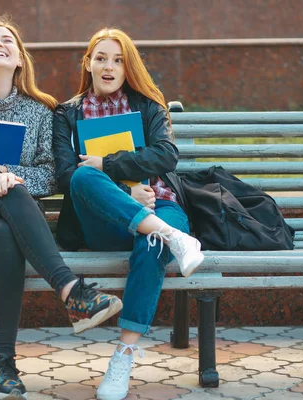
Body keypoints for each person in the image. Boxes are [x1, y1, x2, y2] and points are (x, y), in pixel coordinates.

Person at [0, 17, 122, 400]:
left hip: (6, 220)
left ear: (19, 58)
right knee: (13, 193)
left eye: (7, 41)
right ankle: (71, 290)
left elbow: (51, 174)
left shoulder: (40, 111)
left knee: (4, 230)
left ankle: (4, 365)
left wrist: (1, 172)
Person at [52, 28, 205, 400]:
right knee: (86, 175)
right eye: (101, 58)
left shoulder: (149, 105)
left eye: (118, 60)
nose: (109, 67)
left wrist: (110, 162)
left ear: (128, 67)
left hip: (162, 203)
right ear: (88, 63)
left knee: (150, 244)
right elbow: (65, 174)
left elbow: (166, 155)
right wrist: (125, 190)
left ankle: (123, 355)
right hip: (104, 219)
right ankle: (172, 236)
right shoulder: (67, 114)